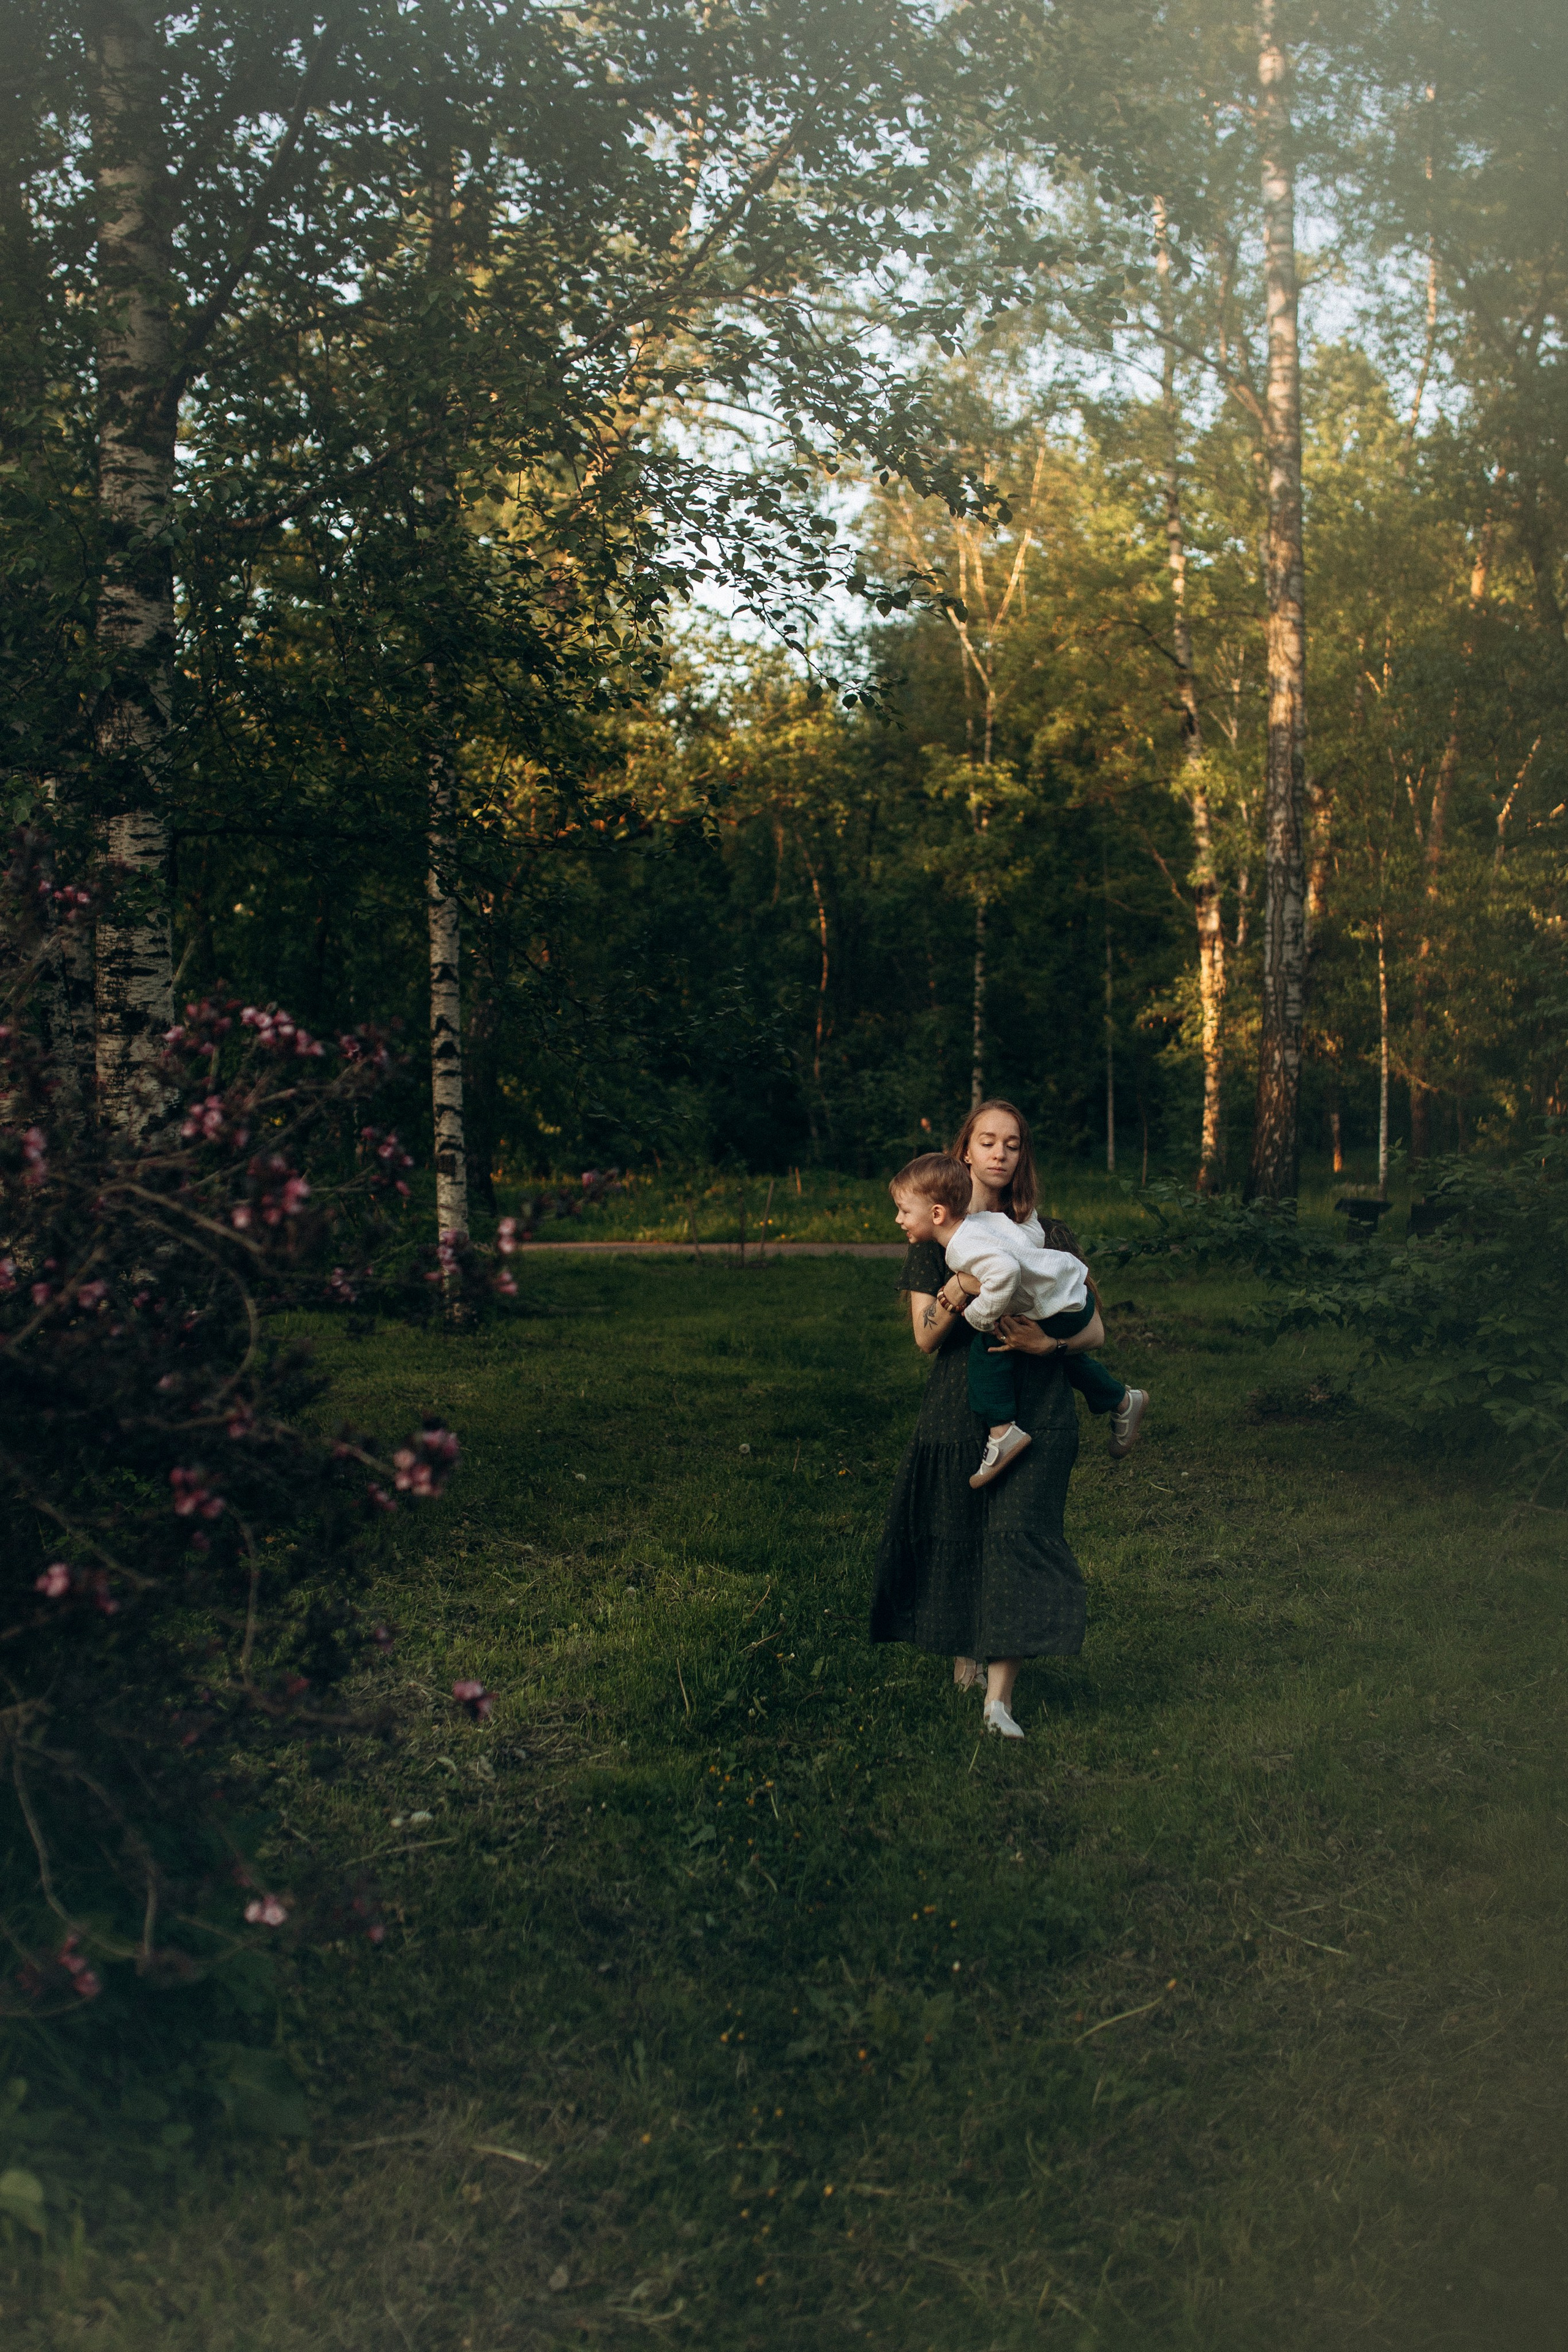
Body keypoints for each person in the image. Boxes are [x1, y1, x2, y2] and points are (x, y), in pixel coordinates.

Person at [870, 1098, 1108, 1740]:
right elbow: (924, 1338)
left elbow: (1094, 1331)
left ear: (1022, 1156)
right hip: (958, 1409)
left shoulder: (1049, 1236)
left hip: (1042, 1408)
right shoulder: (935, 1231)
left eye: (1012, 1144)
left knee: (1018, 1536)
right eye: (987, 1142)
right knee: (961, 1530)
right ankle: (964, 1655)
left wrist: (1048, 1345)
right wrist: (965, 1286)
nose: (1000, 1154)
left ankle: (998, 1701)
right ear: (964, 1151)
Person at [890, 1152, 1088, 1489]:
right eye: (988, 1142)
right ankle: (1119, 1398)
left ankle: (1002, 1433)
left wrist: (980, 1315)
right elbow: (1029, 1236)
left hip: (1059, 1303)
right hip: (1069, 1293)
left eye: (904, 1211)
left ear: (937, 1213)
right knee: (1069, 1360)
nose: (898, 1219)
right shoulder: (983, 1224)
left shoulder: (962, 1246)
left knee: (986, 1347)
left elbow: (1006, 1271)